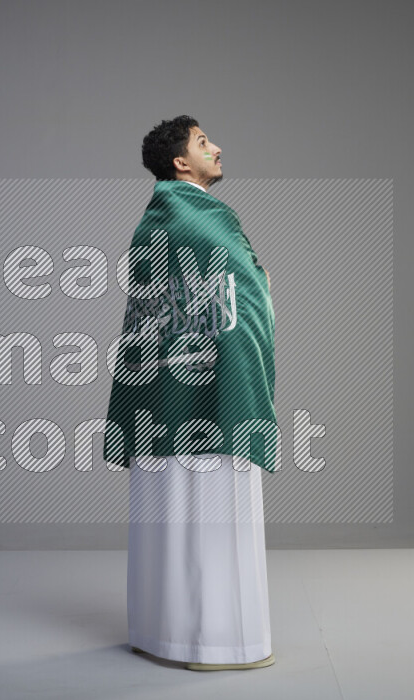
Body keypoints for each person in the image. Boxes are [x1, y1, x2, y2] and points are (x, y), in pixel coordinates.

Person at [103, 115, 277, 671]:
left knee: (170, 509)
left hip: (160, 392)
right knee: (213, 508)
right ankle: (219, 643)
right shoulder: (199, 219)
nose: (217, 148)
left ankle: (160, 633)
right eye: (204, 143)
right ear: (181, 162)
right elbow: (238, 301)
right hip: (212, 393)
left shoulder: (155, 221)